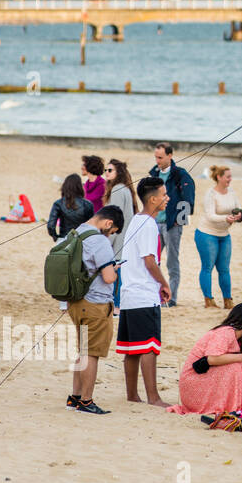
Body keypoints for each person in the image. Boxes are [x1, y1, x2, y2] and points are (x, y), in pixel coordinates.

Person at [117, 177, 173, 406]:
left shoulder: (135, 220)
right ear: (153, 199)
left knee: (132, 348)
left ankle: (132, 394)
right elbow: (150, 261)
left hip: (129, 292)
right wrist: (164, 283)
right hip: (143, 292)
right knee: (149, 346)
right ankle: (153, 397)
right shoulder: (148, 224)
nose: (167, 198)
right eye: (164, 195)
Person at [63, 207, 124, 415]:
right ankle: (86, 401)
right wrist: (114, 271)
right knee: (92, 353)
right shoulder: (100, 241)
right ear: (108, 223)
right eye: (112, 230)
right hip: (96, 304)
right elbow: (108, 278)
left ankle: (75, 397)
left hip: (75, 302)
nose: (111, 234)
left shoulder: (76, 232)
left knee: (82, 350)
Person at [167, 304, 242, 415]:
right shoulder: (225, 332)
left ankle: (235, 406)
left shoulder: (236, 337)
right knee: (237, 368)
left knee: (240, 366)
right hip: (193, 383)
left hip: (201, 377)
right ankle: (232, 406)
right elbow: (212, 359)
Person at [148, 142, 195, 307]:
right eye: (156, 157)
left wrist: (178, 220)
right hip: (154, 223)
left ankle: (172, 298)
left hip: (172, 225)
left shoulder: (180, 174)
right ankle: (154, 295)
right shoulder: (153, 173)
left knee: (172, 262)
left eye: (160, 157)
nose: (157, 160)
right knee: (152, 260)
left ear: (170, 156)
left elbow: (189, 199)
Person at [195, 165, 242, 310]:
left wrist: (239, 215)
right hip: (207, 233)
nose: (230, 179)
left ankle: (228, 300)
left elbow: (238, 208)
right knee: (207, 267)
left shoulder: (232, 192)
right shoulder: (211, 194)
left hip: (224, 235)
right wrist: (226, 219)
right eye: (227, 176)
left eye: (230, 176)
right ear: (219, 177)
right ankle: (208, 300)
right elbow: (210, 215)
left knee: (224, 269)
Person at [103, 159, 137, 314]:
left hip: (118, 238)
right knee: (121, 273)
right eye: (106, 170)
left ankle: (116, 307)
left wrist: (107, 241)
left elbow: (114, 219)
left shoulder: (117, 189)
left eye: (110, 170)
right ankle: (119, 305)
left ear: (118, 173)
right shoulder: (125, 188)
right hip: (126, 237)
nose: (106, 173)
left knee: (116, 273)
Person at [47, 174, 94, 241]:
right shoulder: (88, 204)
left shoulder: (58, 203)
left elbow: (51, 226)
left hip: (64, 239)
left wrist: (56, 238)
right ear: (80, 187)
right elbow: (92, 226)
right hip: (82, 241)